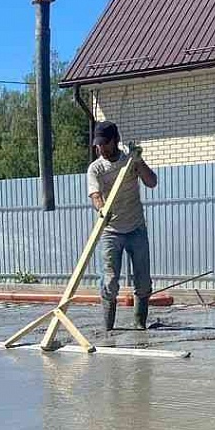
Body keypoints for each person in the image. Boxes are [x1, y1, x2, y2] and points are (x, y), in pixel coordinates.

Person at [87, 121, 158, 331]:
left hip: (136, 227)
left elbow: (152, 182)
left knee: (143, 281)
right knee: (109, 281)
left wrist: (139, 161)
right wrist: (102, 209)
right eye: (98, 144)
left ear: (115, 140)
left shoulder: (130, 161)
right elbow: (95, 195)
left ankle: (139, 324)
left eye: (105, 143)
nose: (101, 148)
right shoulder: (96, 168)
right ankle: (108, 328)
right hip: (111, 231)